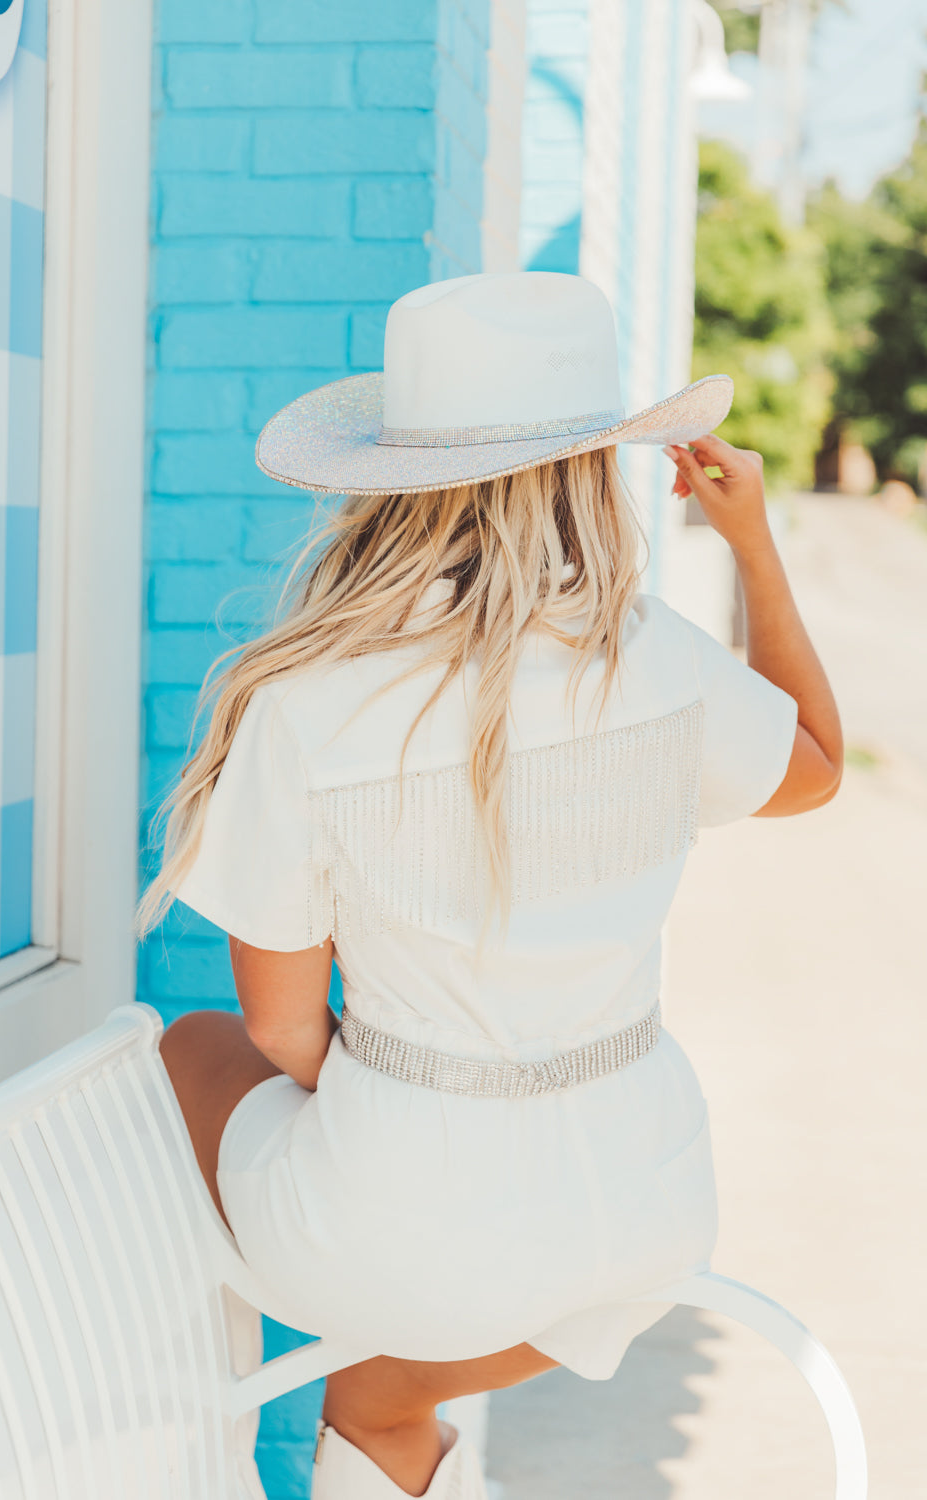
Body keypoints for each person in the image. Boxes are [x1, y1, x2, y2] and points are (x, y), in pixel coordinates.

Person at [135, 272, 843, 1500]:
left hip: (409, 1226)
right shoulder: (653, 657)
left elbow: (282, 1031)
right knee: (376, 1394)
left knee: (187, 1051)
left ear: (396, 487)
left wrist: (422, 1098)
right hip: (645, 1212)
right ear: (588, 471)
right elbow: (817, 770)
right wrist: (751, 545)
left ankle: (144, 1439)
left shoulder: (303, 702)